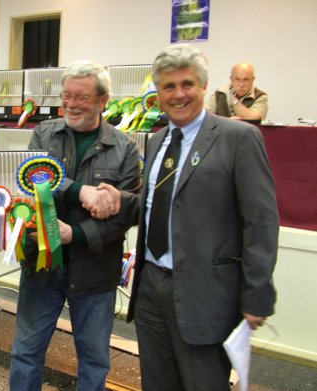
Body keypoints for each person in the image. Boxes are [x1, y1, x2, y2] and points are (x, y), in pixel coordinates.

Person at [103, 44, 278, 391]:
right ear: (158, 93)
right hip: (151, 288)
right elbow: (160, 205)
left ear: (203, 86)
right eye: (168, 87)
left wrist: (257, 293)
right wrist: (120, 200)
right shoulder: (156, 142)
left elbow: (260, 221)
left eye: (187, 84)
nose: (178, 94)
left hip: (206, 295)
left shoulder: (238, 138)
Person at [9, 60, 141, 391]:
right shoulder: (44, 133)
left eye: (81, 96)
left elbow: (125, 215)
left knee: (94, 360)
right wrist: (80, 190)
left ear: (102, 100)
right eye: (66, 94)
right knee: (26, 353)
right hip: (42, 267)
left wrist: (76, 234)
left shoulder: (124, 148)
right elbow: (32, 180)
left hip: (96, 272)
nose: (70, 103)